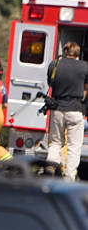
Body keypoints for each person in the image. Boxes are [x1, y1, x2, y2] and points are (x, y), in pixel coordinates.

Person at [45, 41, 88, 181]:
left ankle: (51, 165)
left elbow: (50, 83)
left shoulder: (55, 64)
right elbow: (85, 90)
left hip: (57, 109)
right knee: (73, 146)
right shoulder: (84, 66)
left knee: (56, 142)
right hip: (75, 110)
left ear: (65, 52)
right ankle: (69, 177)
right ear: (77, 53)